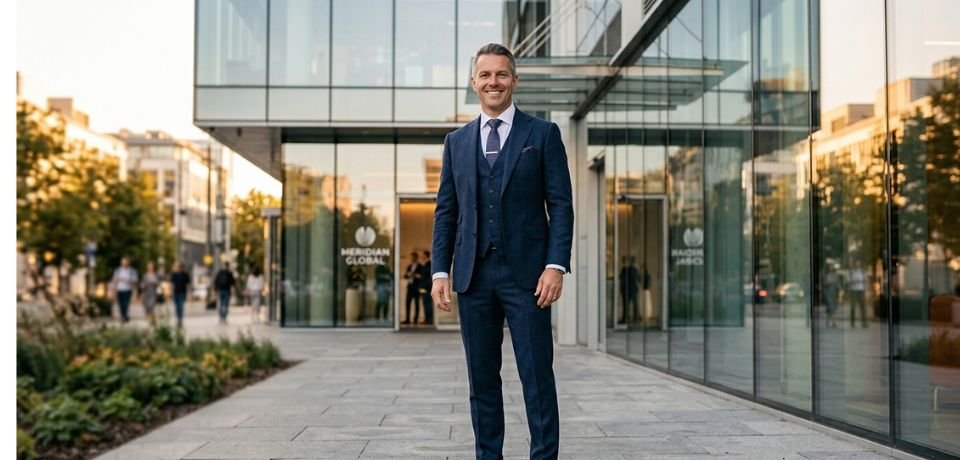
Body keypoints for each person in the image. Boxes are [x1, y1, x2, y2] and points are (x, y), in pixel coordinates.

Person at [431, 43, 573, 460]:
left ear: (515, 80)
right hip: (473, 278)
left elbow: (560, 204)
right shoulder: (456, 142)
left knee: (536, 377)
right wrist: (441, 271)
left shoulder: (542, 134)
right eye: (485, 75)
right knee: (481, 381)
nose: (493, 82)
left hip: (528, 278)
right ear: (473, 82)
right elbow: (446, 212)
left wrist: (555, 264)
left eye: (501, 74)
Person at [111, 257, 138, 323]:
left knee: (126, 303)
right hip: (119, 289)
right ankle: (123, 315)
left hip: (128, 289)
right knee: (120, 303)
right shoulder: (118, 270)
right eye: (123, 262)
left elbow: (135, 280)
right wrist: (113, 289)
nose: (124, 263)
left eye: (125, 262)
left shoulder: (132, 271)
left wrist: (127, 280)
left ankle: (125, 316)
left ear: (128, 263)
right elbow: (114, 280)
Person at [618, 256, 640, 324]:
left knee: (627, 305)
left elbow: (621, 277)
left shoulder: (625, 269)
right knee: (634, 304)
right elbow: (638, 279)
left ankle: (626, 318)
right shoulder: (634, 269)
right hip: (632, 290)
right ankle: (634, 318)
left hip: (627, 290)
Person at [401, 251, 421, 325]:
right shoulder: (409, 266)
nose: (412, 258)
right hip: (410, 286)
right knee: (408, 303)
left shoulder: (420, 266)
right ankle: (407, 319)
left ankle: (415, 319)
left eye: (413, 257)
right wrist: (407, 274)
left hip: (416, 287)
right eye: (411, 257)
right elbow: (405, 276)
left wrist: (414, 274)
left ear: (416, 257)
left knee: (416, 304)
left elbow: (421, 277)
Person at [169, 262, 190, 328]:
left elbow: (188, 284)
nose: (179, 268)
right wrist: (171, 293)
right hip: (175, 293)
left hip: (182, 293)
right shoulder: (174, 275)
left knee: (181, 306)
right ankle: (178, 319)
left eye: (180, 266)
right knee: (177, 307)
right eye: (177, 266)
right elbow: (172, 284)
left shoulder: (185, 275)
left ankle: (180, 319)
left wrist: (189, 294)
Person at [418, 250, 434, 325]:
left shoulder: (429, 264)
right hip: (424, 287)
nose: (422, 257)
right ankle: (427, 319)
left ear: (426, 256)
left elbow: (428, 277)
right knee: (425, 304)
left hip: (427, 288)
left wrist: (425, 287)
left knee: (427, 304)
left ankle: (429, 320)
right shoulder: (425, 264)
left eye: (423, 255)